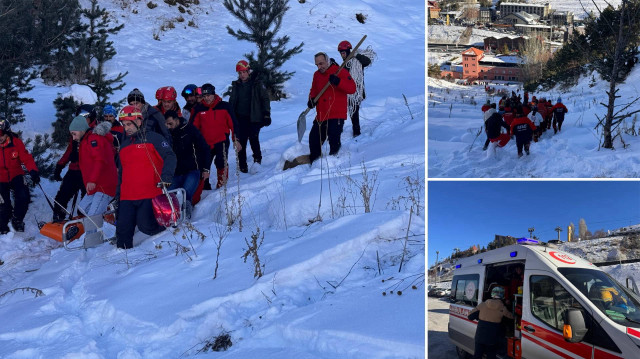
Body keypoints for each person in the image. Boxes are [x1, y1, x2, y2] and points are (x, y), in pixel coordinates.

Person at [115, 105, 177, 249]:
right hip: (127, 197)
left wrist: (166, 177)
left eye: (129, 124)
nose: (126, 128)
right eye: (124, 125)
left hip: (148, 193)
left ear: (139, 121)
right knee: (122, 232)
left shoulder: (154, 138)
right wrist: (118, 196)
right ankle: (123, 264)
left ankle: (170, 229)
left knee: (146, 226)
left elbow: (170, 156)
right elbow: (121, 175)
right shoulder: (124, 146)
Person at [307, 52, 356, 164]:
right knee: (314, 139)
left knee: (333, 138)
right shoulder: (316, 75)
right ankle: (315, 163)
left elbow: (352, 88)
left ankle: (334, 162)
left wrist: (338, 82)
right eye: (317, 65)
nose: (319, 67)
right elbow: (313, 90)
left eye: (321, 63)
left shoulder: (339, 71)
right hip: (321, 114)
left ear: (327, 61)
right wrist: (311, 99)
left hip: (336, 114)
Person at [192, 83, 241, 189]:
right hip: (205, 143)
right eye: (204, 96)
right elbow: (193, 128)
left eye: (208, 95)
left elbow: (233, 124)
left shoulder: (225, 106)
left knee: (221, 162)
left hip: (221, 141)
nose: (207, 98)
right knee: (204, 165)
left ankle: (222, 185)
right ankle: (204, 187)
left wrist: (235, 139)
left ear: (214, 94)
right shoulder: (198, 109)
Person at [68, 116, 118, 217]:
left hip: (104, 185)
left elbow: (100, 160)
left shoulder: (93, 139)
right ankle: (105, 219)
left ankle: (96, 229)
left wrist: (92, 181)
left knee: (93, 217)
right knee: (82, 208)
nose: (73, 137)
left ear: (81, 130)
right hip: (96, 185)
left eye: (74, 134)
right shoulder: (86, 140)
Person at [164, 110, 210, 218]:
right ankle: (169, 218)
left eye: (170, 123)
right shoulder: (167, 134)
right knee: (168, 195)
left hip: (192, 170)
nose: (168, 126)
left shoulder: (190, 130)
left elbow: (205, 148)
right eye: (166, 124)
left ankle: (186, 218)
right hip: (175, 172)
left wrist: (206, 169)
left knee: (186, 195)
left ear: (176, 120)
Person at [228, 60, 271, 173]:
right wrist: (230, 115)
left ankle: (257, 160)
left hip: (254, 117)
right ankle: (242, 165)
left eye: (244, 72)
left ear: (248, 71)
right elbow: (232, 101)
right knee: (241, 141)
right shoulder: (236, 85)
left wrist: (266, 114)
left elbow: (265, 99)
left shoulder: (256, 84)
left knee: (253, 138)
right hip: (240, 118)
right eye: (240, 73)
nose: (242, 75)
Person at [0, 117, 39, 233]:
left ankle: (17, 219)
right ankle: (4, 222)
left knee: (23, 197)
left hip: (16, 173)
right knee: (3, 205)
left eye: (1, 135)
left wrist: (33, 170)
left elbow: (26, 158)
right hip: (1, 178)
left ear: (7, 133)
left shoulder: (16, 142)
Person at [338, 40, 372, 137]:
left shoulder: (357, 62)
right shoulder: (344, 65)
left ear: (349, 51)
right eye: (341, 53)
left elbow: (367, 61)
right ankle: (338, 131)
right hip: (346, 92)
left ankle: (356, 132)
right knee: (341, 111)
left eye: (343, 53)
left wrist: (356, 55)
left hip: (356, 93)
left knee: (354, 112)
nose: (342, 55)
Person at [467, 287, 514, 359]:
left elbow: (470, 317)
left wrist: (480, 317)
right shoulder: (503, 308)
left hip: (480, 336)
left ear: (492, 294)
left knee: (477, 356)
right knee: (491, 356)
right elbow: (511, 318)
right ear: (502, 296)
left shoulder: (482, 305)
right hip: (492, 338)